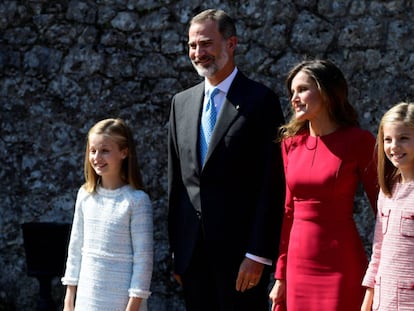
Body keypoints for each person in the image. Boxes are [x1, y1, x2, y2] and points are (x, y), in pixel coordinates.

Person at [167, 8, 285, 311]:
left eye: (206, 43)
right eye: (192, 46)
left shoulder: (261, 101)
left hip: (241, 259)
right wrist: (179, 252)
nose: (198, 53)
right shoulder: (181, 103)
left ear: (231, 44)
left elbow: (271, 183)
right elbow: (177, 185)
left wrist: (258, 254)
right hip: (193, 257)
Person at [269, 59, 378, 311]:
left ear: (327, 92)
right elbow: (288, 213)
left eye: (303, 89)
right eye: (292, 92)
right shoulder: (290, 145)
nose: (294, 98)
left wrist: (380, 269)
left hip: (342, 263)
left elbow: (383, 208)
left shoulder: (359, 141)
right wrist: (280, 275)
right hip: (298, 266)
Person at [61, 118, 153, 311]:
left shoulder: (137, 201)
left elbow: (143, 260)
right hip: (87, 299)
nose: (96, 157)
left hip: (121, 302)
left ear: (124, 152)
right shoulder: (85, 195)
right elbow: (75, 249)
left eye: (105, 150)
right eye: (92, 151)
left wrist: (133, 306)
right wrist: (69, 299)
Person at [361, 102, 414, 311]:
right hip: (385, 302)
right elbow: (379, 250)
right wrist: (368, 301)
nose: (394, 147)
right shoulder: (387, 191)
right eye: (387, 139)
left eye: (403, 138)